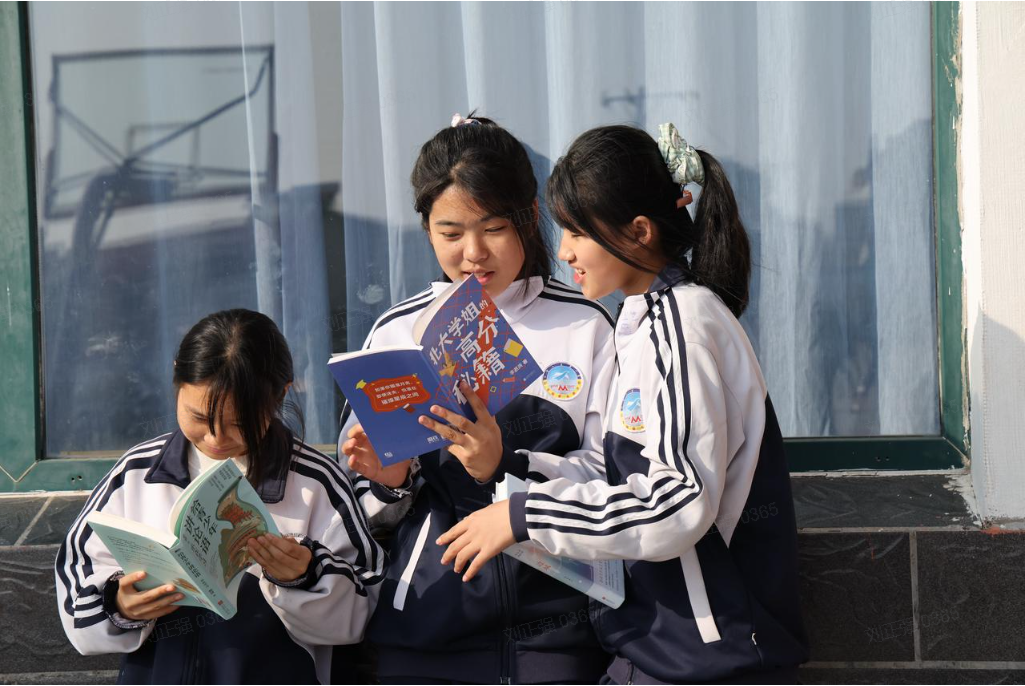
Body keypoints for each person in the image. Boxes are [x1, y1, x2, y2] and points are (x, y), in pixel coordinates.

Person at [435, 123, 810, 684]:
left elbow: (676, 502)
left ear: (638, 232)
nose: (564, 251)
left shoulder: (683, 325)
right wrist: (507, 468)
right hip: (660, 649)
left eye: (576, 231)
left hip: (709, 656)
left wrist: (525, 516)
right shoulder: (642, 323)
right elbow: (614, 478)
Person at [339, 113, 616, 684]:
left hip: (557, 630)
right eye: (451, 233)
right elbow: (357, 511)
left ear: (529, 217)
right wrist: (389, 482)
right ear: (426, 229)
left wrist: (503, 465)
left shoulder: (585, 325)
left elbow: (612, 475)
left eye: (493, 228)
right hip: (426, 628)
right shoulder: (397, 334)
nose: (473, 252)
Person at [55, 309, 383, 684]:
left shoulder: (316, 483)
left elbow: (364, 608)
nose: (215, 438)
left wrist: (305, 575)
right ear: (177, 378)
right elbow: (77, 585)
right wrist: (119, 604)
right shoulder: (136, 474)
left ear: (280, 394)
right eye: (198, 417)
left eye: (238, 423)